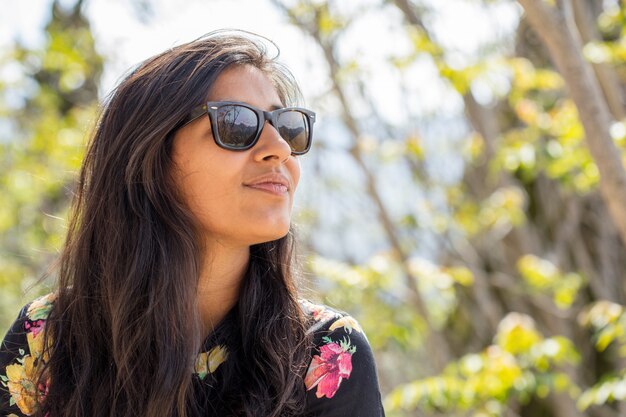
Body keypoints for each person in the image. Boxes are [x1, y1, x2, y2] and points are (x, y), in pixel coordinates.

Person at [0, 30, 386, 417]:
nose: (280, 148)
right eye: (237, 124)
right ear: (151, 160)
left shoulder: (326, 355)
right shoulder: (48, 336)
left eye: (288, 127)